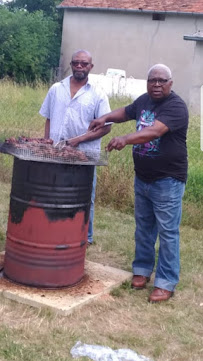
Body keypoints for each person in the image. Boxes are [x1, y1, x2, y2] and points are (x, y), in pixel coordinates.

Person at [89, 64, 188, 303]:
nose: (156, 84)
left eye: (161, 81)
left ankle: (165, 282)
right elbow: (126, 112)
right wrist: (105, 117)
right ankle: (142, 270)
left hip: (167, 180)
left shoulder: (176, 107)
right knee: (143, 228)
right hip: (142, 177)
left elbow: (154, 132)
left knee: (167, 232)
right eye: (152, 80)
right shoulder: (145, 100)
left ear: (170, 83)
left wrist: (125, 139)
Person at [39, 49, 111, 246]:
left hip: (84, 155)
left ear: (91, 67)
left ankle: (84, 237)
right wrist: (46, 145)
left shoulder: (98, 94)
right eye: (76, 63)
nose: (79, 66)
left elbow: (106, 128)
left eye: (84, 63)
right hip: (56, 152)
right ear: (71, 65)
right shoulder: (56, 89)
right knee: (53, 192)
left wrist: (79, 140)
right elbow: (49, 118)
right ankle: (54, 231)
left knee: (84, 196)